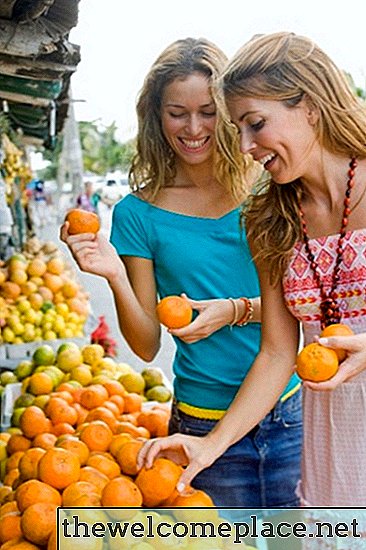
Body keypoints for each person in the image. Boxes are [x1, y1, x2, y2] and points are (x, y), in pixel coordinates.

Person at [60, 37, 302, 510]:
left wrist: (236, 311)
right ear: (156, 115)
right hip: (201, 425)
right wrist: (113, 275)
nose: (194, 128)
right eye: (177, 112)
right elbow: (147, 343)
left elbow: (303, 305)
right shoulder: (138, 213)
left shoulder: (270, 187)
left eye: (208, 111)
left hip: (289, 416)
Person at [138, 31, 366, 522]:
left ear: (310, 103)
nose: (245, 146)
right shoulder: (272, 215)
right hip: (329, 453)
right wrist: (209, 446)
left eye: (255, 124)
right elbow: (278, 351)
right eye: (239, 128)